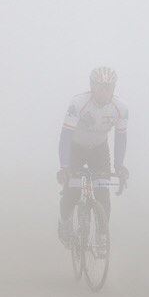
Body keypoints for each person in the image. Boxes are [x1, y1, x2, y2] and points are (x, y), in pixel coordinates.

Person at [57, 66, 129, 247]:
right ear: (92, 86)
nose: (105, 92)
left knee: (102, 192)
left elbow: (121, 138)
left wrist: (119, 167)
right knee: (72, 191)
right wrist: (65, 167)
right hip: (76, 148)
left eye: (109, 87)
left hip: (99, 150)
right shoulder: (78, 104)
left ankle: (102, 235)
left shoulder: (120, 108)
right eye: (100, 87)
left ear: (114, 88)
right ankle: (65, 224)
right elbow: (65, 136)